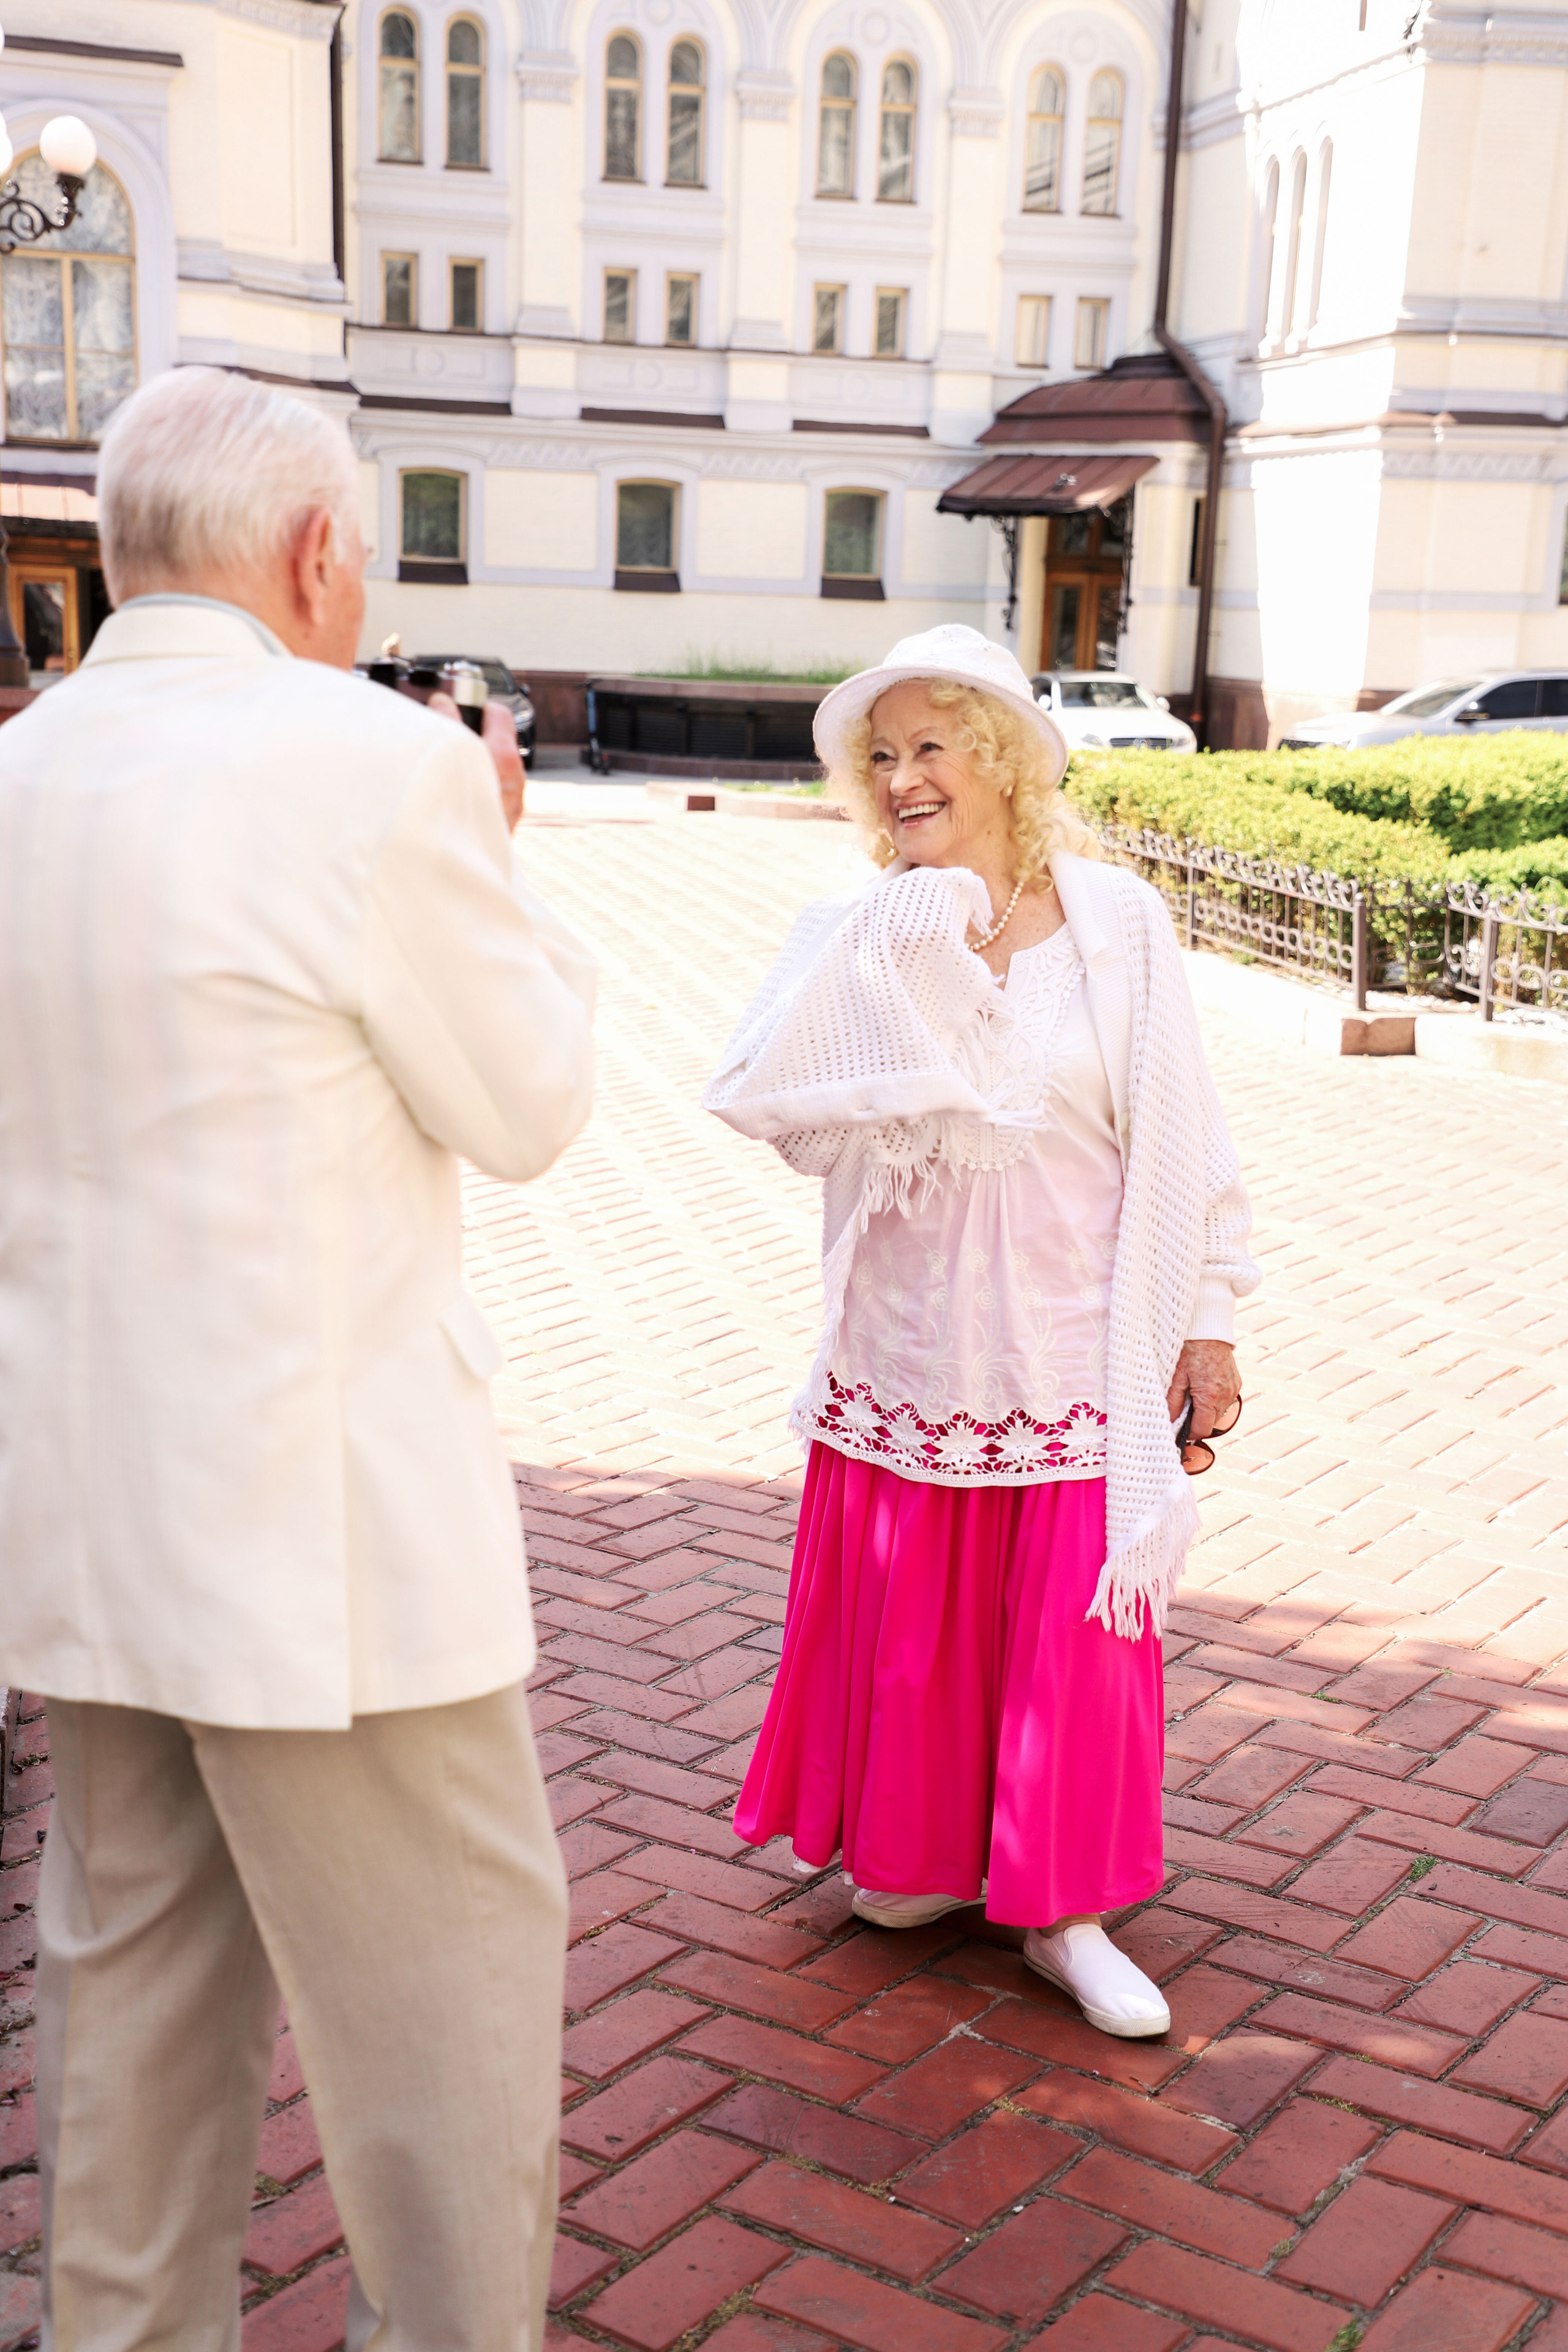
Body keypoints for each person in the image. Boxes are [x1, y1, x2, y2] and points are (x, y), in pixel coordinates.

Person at [0, 368, 596, 2346]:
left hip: (89, 1527)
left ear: (114, 553)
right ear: (321, 551)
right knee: (449, 2039)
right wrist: (501, 848)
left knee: (127, 2023)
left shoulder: (19, 771)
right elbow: (526, 1106)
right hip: (332, 1562)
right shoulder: (374, 767)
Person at [705, 624, 1256, 2039]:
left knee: (1068, 1635)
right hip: (907, 1343)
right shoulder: (853, 929)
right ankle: (929, 1863)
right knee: (920, 1621)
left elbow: (1185, 1134)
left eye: (927, 747)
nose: (898, 779)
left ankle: (1062, 1910)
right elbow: (765, 1102)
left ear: (1002, 756)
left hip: (1070, 1341)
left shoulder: (1114, 922)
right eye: (876, 759)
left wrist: (1207, 1320)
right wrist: (883, 968)